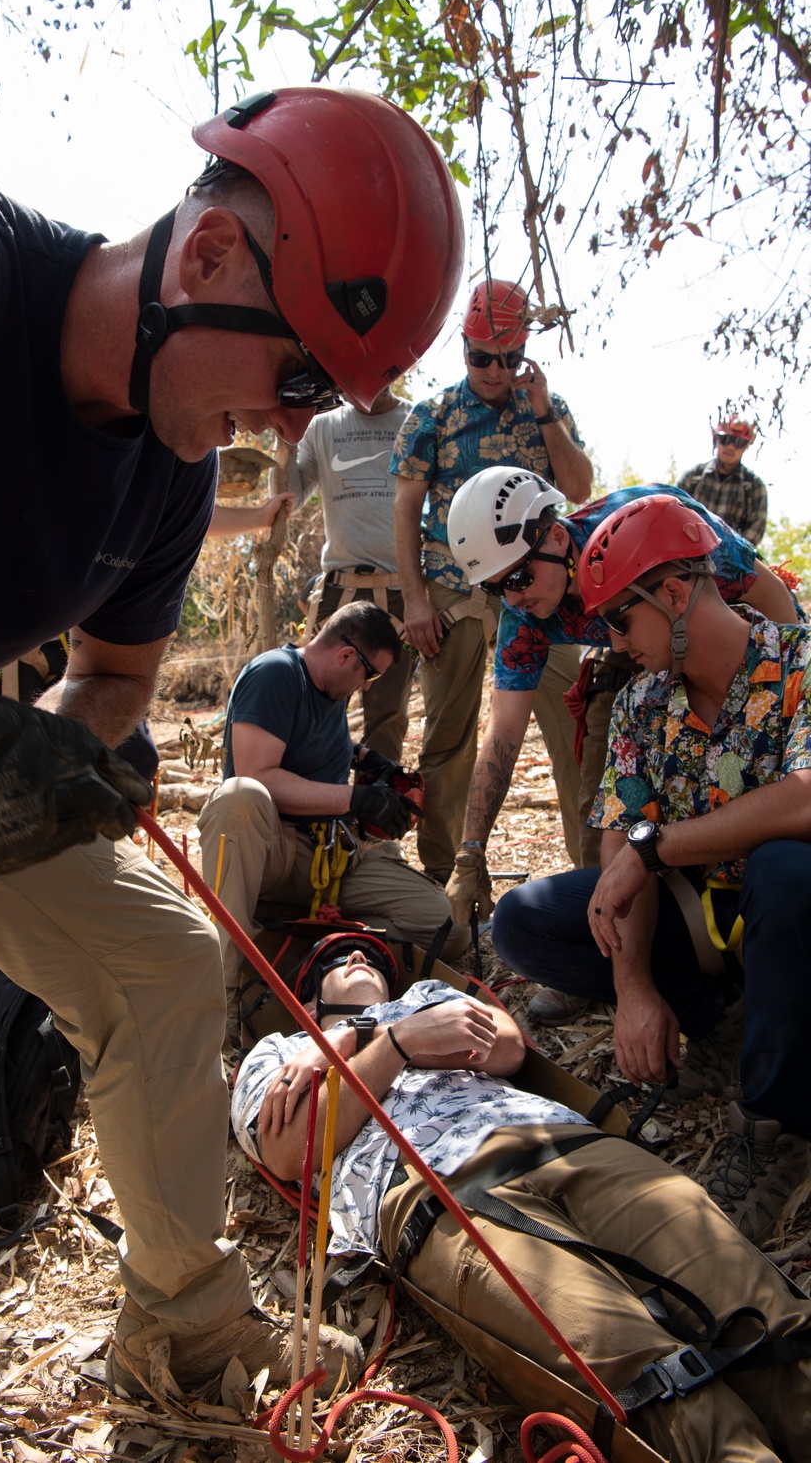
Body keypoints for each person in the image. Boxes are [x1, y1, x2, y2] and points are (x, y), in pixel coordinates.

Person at [0, 85, 465, 1392]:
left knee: (161, 958)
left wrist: (65, 756)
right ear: (208, 256)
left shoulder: (166, 480)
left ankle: (185, 1325)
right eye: (295, 376)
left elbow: (114, 675)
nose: (294, 428)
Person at [232, 935, 811, 1463]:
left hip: (564, 1141)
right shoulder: (278, 1051)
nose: (358, 957)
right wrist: (402, 1042)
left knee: (762, 1312)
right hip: (437, 1193)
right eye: (336, 959)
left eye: (373, 956)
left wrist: (361, 1034)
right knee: (638, 1372)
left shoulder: (427, 995)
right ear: (306, 999)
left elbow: (505, 1049)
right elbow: (290, 1151)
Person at [491, 493, 811, 1246]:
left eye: (620, 621)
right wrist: (634, 987)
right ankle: (720, 1028)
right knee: (527, 920)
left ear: (672, 594)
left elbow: (804, 798)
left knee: (788, 871)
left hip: (792, 915)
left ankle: (775, 1123)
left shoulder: (799, 661)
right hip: (707, 918)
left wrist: (655, 848)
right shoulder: (642, 701)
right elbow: (617, 840)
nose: (612, 641)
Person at [444, 471, 799, 1026]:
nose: (512, 598)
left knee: (777, 854)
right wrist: (471, 850)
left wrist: (782, 697)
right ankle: (681, 992)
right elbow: (504, 735)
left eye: (516, 575)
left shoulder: (654, 521)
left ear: (556, 537)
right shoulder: (531, 622)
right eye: (495, 588)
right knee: (609, 826)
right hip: (648, 672)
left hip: (738, 653)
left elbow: (764, 591)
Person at [391, 278, 593, 882]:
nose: (494, 370)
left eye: (507, 358)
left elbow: (579, 490)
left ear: (524, 352)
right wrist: (416, 600)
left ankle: (593, 877)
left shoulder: (546, 410)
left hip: (539, 594)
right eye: (481, 356)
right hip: (454, 592)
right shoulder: (434, 414)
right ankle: (443, 885)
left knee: (575, 729)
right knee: (447, 742)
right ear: (464, 347)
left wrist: (545, 412)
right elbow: (404, 512)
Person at [198, 602, 468, 1046]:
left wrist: (364, 761)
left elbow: (314, 743)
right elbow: (256, 774)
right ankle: (225, 993)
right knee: (237, 799)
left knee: (443, 926)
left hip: (331, 856)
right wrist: (357, 799)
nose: (367, 686)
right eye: (372, 675)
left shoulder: (330, 692)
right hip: (276, 853)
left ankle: (304, 942)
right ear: (346, 656)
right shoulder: (275, 674)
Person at [295, 387, 414, 762]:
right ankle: (310, 807)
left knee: (388, 716)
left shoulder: (416, 421)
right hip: (338, 588)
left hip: (399, 588)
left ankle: (377, 813)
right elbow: (291, 497)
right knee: (313, 703)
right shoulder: (321, 426)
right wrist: (284, 442)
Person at [677, 416, 767, 546]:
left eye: (738, 442)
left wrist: (729, 552)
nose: (730, 447)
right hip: (687, 550)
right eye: (726, 440)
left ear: (746, 447)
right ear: (716, 440)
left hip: (732, 559)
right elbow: (672, 513)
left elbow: (755, 531)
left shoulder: (754, 486)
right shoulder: (692, 477)